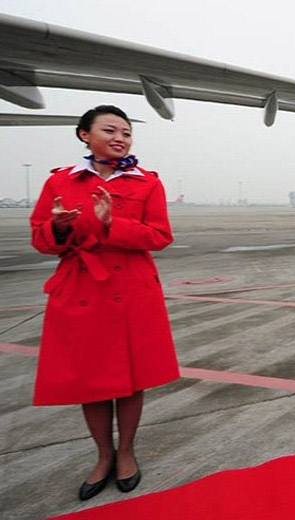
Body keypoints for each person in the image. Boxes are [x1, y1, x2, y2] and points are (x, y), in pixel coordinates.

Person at [30, 105, 180, 500]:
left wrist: (114, 224)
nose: (120, 138)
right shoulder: (61, 182)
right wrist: (57, 227)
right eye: (110, 130)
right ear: (84, 135)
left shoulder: (146, 183)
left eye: (127, 133)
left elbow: (160, 236)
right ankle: (103, 455)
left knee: (132, 380)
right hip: (81, 291)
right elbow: (41, 239)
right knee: (90, 381)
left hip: (132, 290)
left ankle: (126, 453)